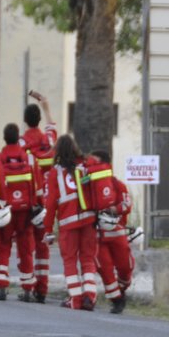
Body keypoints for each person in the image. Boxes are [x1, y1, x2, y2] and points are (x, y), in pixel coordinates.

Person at [42, 134, 98, 311]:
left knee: (70, 260)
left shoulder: (55, 173)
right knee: (88, 259)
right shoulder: (86, 166)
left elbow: (50, 203)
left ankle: (75, 299)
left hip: (68, 222)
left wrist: (48, 228)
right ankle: (90, 296)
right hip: (89, 219)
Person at [20, 91, 59, 304]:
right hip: (47, 201)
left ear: (25, 121)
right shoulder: (49, 141)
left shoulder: (22, 143)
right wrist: (46, 107)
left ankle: (28, 284)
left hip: (28, 200)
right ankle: (42, 289)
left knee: (27, 244)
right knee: (43, 246)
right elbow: (52, 126)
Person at [0, 123, 37, 301]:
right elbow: (35, 185)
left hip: (6, 210)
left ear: (4, 138)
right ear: (18, 137)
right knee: (25, 249)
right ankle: (27, 289)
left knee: (3, 247)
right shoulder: (27, 158)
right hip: (25, 211)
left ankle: (1, 288)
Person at [87, 148, 134, 314]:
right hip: (98, 236)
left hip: (117, 233)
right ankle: (117, 301)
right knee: (105, 270)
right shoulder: (87, 187)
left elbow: (127, 204)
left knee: (125, 267)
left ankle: (121, 290)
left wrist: (114, 209)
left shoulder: (117, 184)